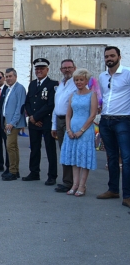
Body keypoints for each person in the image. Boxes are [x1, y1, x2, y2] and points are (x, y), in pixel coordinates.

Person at [97, 46, 130, 208]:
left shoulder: (128, 73)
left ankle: (128, 195)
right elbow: (104, 96)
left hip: (124, 120)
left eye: (112, 55)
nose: (109, 58)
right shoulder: (102, 76)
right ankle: (113, 189)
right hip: (105, 120)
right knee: (110, 157)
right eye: (106, 56)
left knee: (126, 158)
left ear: (119, 56)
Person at [60, 69, 98, 197]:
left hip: (85, 130)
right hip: (72, 129)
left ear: (86, 80)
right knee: (74, 158)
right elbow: (68, 114)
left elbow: (93, 115)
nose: (79, 82)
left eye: (81, 80)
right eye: (76, 80)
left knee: (83, 158)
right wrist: (69, 130)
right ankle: (74, 184)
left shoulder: (92, 94)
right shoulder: (73, 95)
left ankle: (82, 185)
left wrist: (81, 130)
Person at [23, 58, 58, 185]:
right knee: (34, 148)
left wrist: (36, 117)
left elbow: (50, 104)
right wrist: (32, 117)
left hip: (46, 121)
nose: (39, 71)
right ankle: (34, 172)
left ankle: (52, 175)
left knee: (50, 149)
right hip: (34, 122)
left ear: (47, 70)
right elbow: (27, 102)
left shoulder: (53, 84)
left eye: (42, 69)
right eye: (37, 69)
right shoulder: (32, 84)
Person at [51, 59, 78, 193]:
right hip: (59, 119)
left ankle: (73, 182)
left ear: (74, 68)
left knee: (71, 151)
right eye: (64, 68)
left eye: (69, 67)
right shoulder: (61, 84)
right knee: (64, 152)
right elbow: (56, 106)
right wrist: (53, 126)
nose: (67, 70)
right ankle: (67, 181)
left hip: (72, 121)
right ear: (61, 70)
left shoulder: (77, 83)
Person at [1, 68, 27, 181]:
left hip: (13, 122)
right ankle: (15, 170)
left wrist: (12, 122)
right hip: (7, 120)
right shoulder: (8, 89)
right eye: (6, 76)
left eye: (10, 76)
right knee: (13, 147)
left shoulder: (19, 88)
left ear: (15, 76)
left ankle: (12, 171)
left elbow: (20, 107)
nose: (8, 78)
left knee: (10, 146)